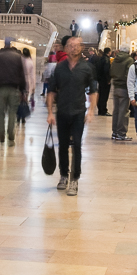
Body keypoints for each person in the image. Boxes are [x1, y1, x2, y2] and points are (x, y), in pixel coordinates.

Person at [46, 35, 98, 196]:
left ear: (81, 48)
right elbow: (51, 91)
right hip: (62, 111)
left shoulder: (87, 68)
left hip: (78, 112)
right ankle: (63, 175)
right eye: (70, 45)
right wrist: (49, 112)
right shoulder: (59, 68)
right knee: (62, 145)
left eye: (77, 45)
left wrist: (91, 111)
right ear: (65, 48)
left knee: (76, 145)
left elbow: (93, 91)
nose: (74, 48)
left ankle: (75, 178)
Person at [0, 38, 27, 145]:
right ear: (11, 45)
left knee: (0, 112)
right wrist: (23, 89)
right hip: (14, 88)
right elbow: (21, 75)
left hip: (0, 89)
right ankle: (11, 134)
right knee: (12, 112)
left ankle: (1, 134)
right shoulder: (17, 57)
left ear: (3, 45)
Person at [108, 48, 133, 142]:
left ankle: (114, 132)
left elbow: (111, 71)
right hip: (124, 87)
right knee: (124, 112)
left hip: (116, 86)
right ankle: (121, 133)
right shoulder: (129, 60)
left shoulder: (115, 59)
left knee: (116, 111)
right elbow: (129, 75)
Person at [93, 47, 112, 116]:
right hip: (105, 80)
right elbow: (106, 70)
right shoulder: (106, 59)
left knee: (100, 94)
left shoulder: (100, 58)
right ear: (109, 52)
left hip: (100, 79)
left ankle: (100, 109)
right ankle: (103, 110)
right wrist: (108, 79)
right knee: (104, 95)